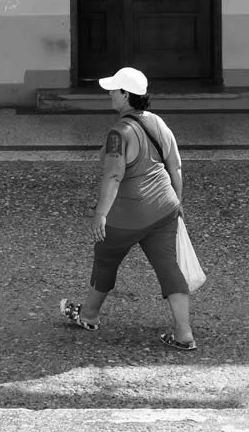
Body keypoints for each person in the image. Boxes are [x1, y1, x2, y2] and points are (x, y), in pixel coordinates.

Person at [58, 66, 197, 350]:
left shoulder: (119, 133)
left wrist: (100, 214)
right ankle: (184, 334)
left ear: (125, 95)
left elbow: (113, 175)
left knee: (106, 258)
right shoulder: (158, 122)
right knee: (169, 267)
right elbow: (176, 166)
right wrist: (177, 203)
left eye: (114, 90)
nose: (109, 94)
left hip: (127, 215)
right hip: (164, 209)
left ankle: (89, 315)